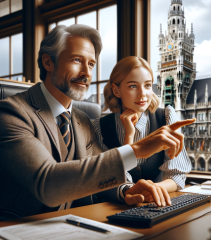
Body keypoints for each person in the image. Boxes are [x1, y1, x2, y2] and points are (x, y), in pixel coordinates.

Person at [0, 24, 194, 219]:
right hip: (18, 228)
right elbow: (47, 184)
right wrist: (137, 149)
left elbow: (98, 176)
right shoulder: (11, 113)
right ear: (48, 62)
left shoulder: (82, 120)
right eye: (77, 60)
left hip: (72, 224)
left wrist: (127, 191)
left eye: (91, 64)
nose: (86, 72)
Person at [93, 56, 193, 203]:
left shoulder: (165, 116)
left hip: (156, 203)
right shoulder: (99, 127)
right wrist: (129, 136)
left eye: (147, 85)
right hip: (113, 207)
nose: (142, 94)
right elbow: (107, 179)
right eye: (133, 86)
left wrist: (153, 190)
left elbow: (177, 176)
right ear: (116, 90)